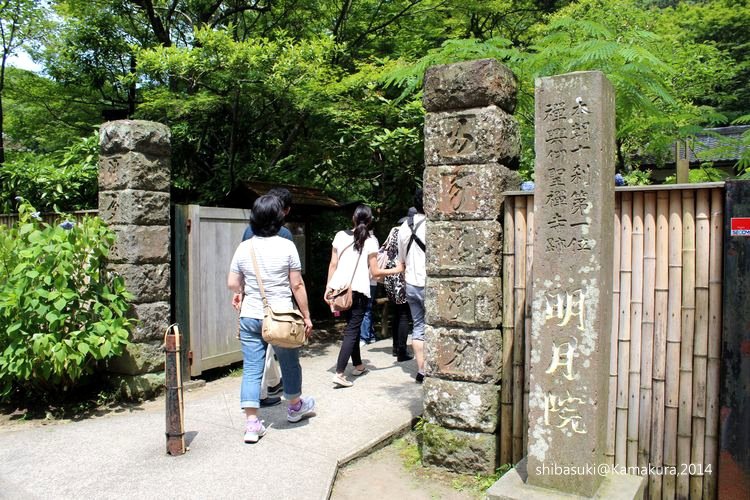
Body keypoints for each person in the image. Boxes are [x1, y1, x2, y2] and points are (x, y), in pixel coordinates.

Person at [227, 195, 315, 443]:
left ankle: (252, 423)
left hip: (251, 316)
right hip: (281, 317)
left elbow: (232, 283)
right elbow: (296, 284)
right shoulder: (287, 246)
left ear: (254, 219)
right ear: (278, 218)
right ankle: (296, 407)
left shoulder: (244, 247)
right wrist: (306, 316)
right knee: (289, 363)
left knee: (252, 368)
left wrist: (244, 290)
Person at [325, 205, 403, 388]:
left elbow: (332, 264)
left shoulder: (339, 236)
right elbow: (375, 273)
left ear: (353, 218)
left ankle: (358, 365)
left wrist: (328, 288)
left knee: (351, 328)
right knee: (352, 331)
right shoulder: (371, 241)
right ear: (369, 221)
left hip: (340, 291)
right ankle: (339, 372)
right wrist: (398, 269)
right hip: (358, 291)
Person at [232, 187, 293, 407]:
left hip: (251, 304)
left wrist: (240, 293)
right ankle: (285, 398)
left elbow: (238, 275)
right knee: (281, 355)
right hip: (277, 308)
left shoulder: (248, 234)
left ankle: (258, 403)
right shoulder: (285, 237)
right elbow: (294, 279)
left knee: (253, 361)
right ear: (283, 211)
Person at [397, 190, 427, 383]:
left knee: (418, 327)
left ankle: (421, 370)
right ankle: (430, 368)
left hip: (410, 283)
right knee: (433, 327)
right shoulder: (432, 225)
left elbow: (401, 260)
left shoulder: (403, 228)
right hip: (428, 283)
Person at [379, 212, 414, 362]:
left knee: (397, 313)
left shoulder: (394, 230)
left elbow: (385, 249)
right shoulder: (411, 232)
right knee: (405, 314)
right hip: (403, 276)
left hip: (390, 276)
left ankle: (395, 347)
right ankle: (401, 351)